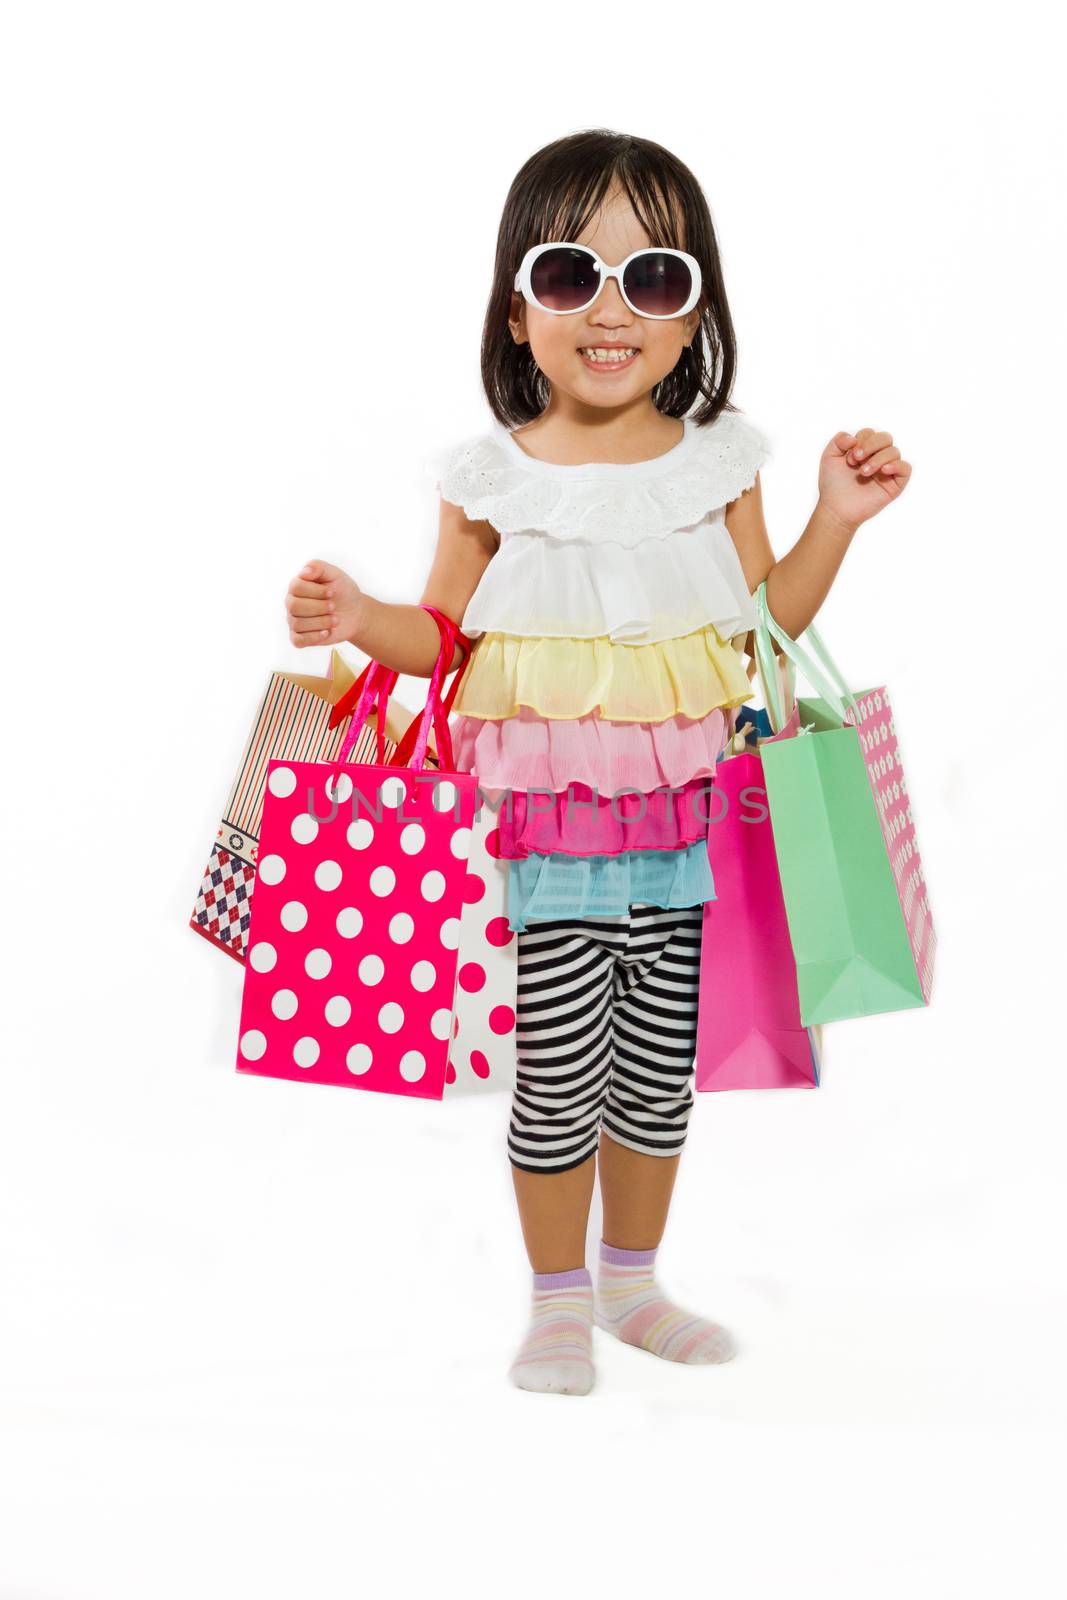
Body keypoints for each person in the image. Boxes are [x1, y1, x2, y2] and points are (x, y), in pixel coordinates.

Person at [282, 129, 911, 1396]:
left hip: (683, 831)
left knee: (658, 1073)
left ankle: (632, 1281)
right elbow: (443, 638)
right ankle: (558, 1295)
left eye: (655, 280)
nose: (611, 311)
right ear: (519, 312)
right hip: (543, 838)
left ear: (694, 321)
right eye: (571, 276)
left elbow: (767, 623)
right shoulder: (488, 479)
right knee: (558, 1070)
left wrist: (831, 523)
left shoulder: (717, 464)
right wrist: (359, 619)